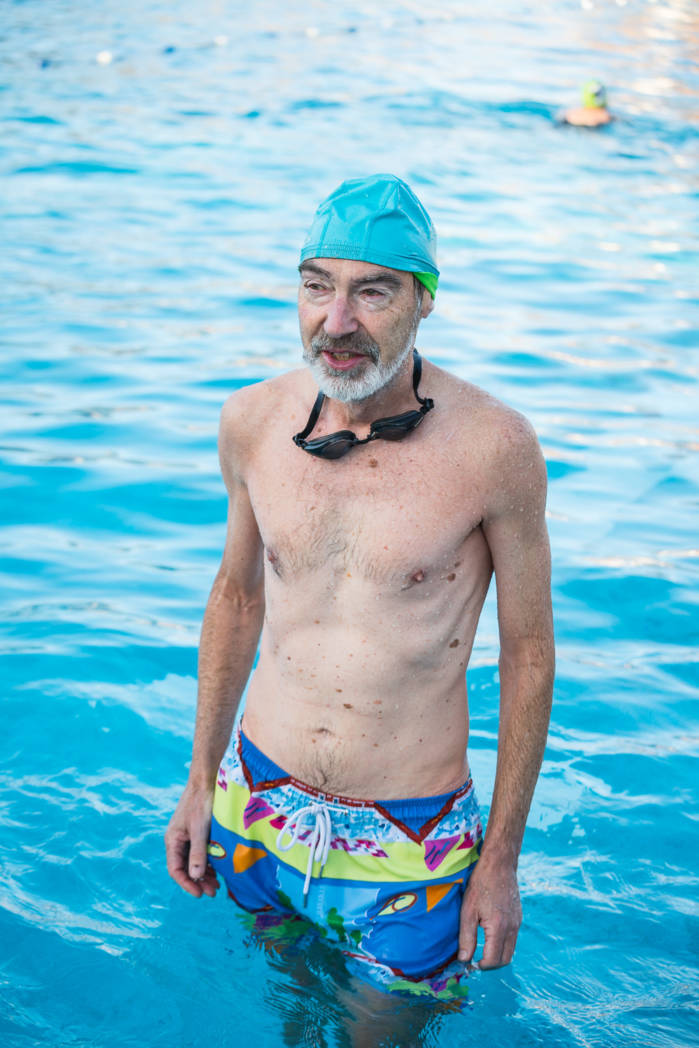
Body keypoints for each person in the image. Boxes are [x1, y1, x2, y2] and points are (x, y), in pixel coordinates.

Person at [165, 173, 554, 1002]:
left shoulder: (495, 448)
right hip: (255, 802)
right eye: (317, 288)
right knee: (287, 1002)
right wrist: (199, 781)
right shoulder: (252, 421)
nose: (335, 323)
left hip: (407, 836)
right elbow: (236, 600)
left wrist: (501, 862)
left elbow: (526, 653)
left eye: (371, 293)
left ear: (424, 301)